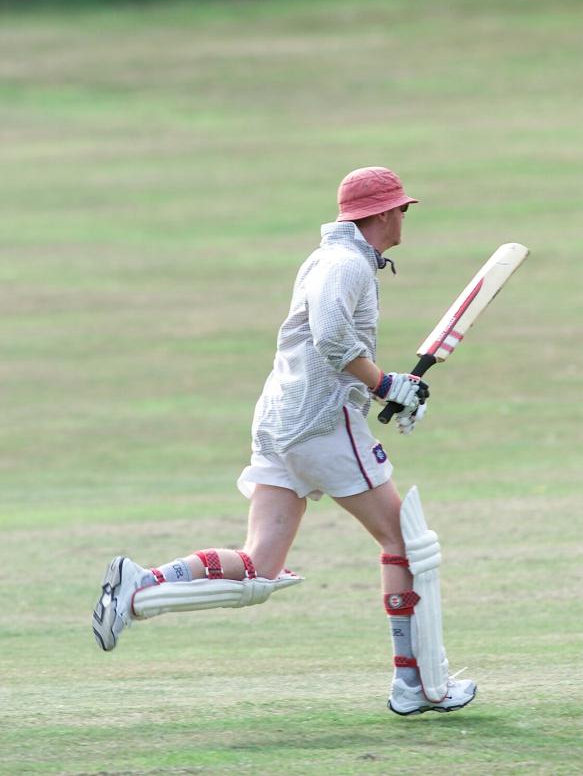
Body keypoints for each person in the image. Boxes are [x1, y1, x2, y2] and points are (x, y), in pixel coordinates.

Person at [92, 166, 476, 717]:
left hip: (280, 422)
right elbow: (331, 336)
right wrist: (386, 383)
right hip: (321, 424)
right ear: (383, 213)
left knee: (259, 567)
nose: (404, 218)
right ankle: (418, 686)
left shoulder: (331, 259)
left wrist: (391, 392)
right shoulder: (346, 264)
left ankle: (139, 587)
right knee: (408, 545)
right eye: (402, 209)